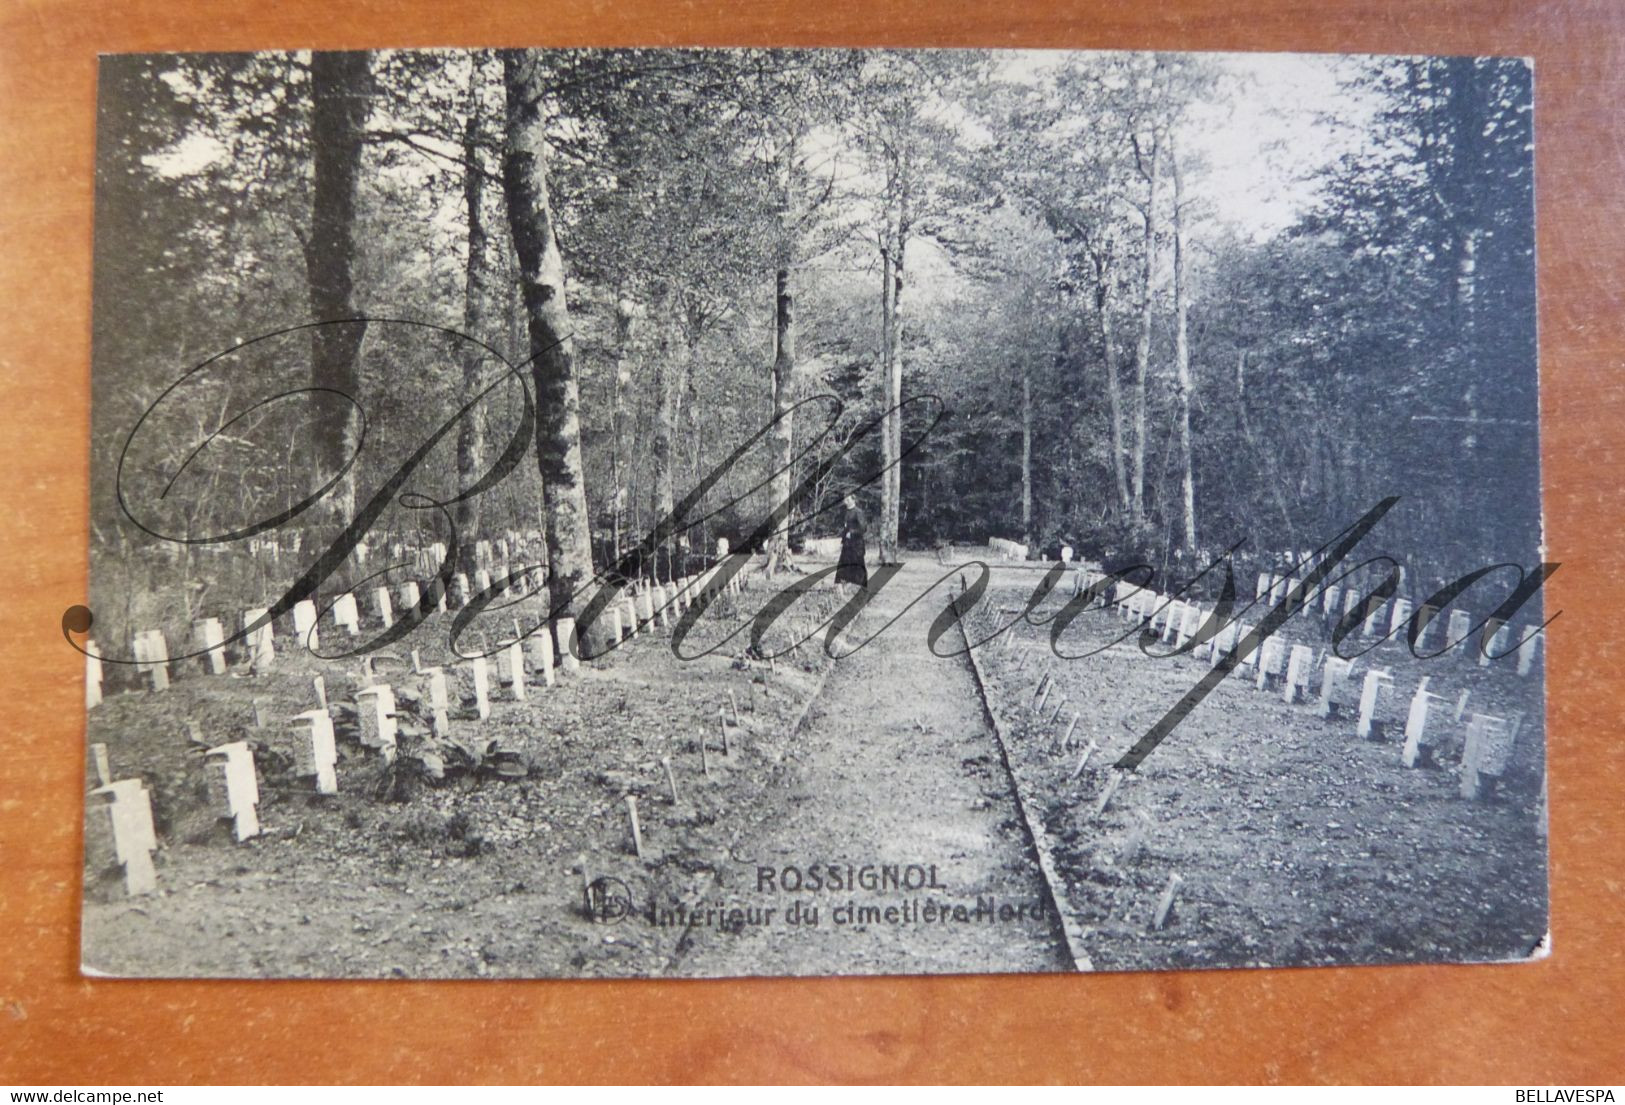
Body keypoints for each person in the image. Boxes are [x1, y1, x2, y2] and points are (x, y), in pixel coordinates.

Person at [835, 495, 868, 592]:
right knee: (843, 565)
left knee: (858, 565)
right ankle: (842, 586)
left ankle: (860, 588)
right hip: (847, 545)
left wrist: (852, 533)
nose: (846, 501)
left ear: (854, 500)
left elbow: (863, 528)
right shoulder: (846, 512)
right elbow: (845, 529)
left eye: (848, 499)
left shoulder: (858, 512)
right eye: (845, 499)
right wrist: (842, 540)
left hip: (857, 545)